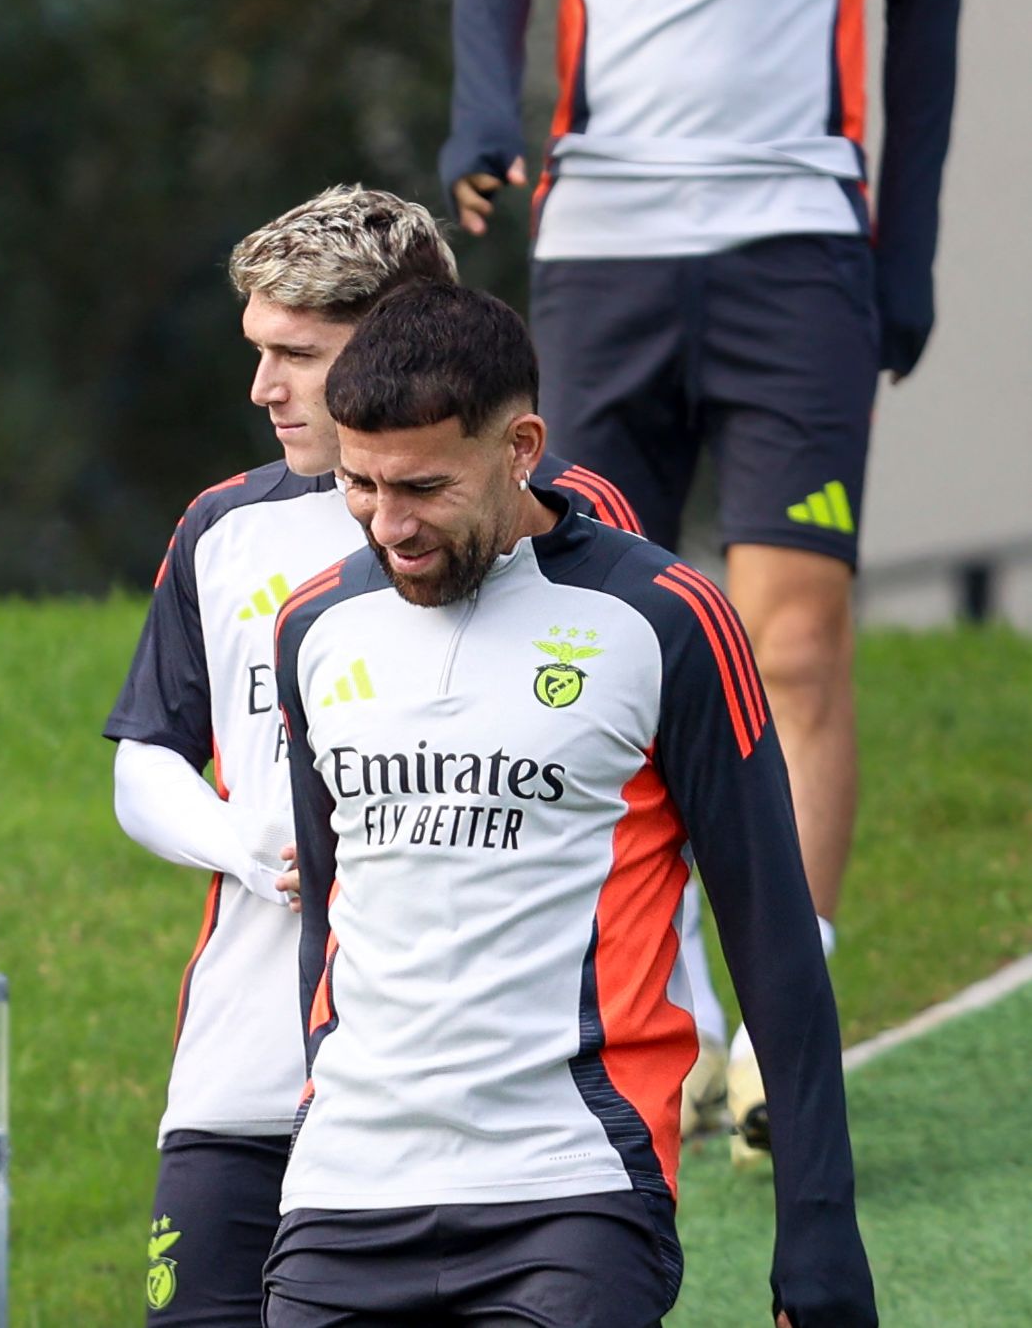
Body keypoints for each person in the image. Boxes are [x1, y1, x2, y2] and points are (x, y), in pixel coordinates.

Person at [440, 0, 962, 1158]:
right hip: (602, 244)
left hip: (798, 243)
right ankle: (662, 1003)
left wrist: (907, 241)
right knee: (592, 626)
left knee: (792, 637)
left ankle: (789, 1028)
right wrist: (481, 113)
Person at [269, 281, 871, 1327]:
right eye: (361, 487)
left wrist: (817, 1230)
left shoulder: (666, 621)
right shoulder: (312, 628)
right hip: (341, 1195)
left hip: (572, 1192)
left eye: (421, 487)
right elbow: (328, 919)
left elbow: (772, 939)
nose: (388, 525)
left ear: (520, 446)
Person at [106, 187, 647, 1326]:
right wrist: (252, 844)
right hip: (238, 1077)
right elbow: (143, 760)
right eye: (258, 352)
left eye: (297, 355)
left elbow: (637, 796)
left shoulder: (558, 521)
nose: (263, 388)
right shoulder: (222, 527)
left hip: (483, 1115)